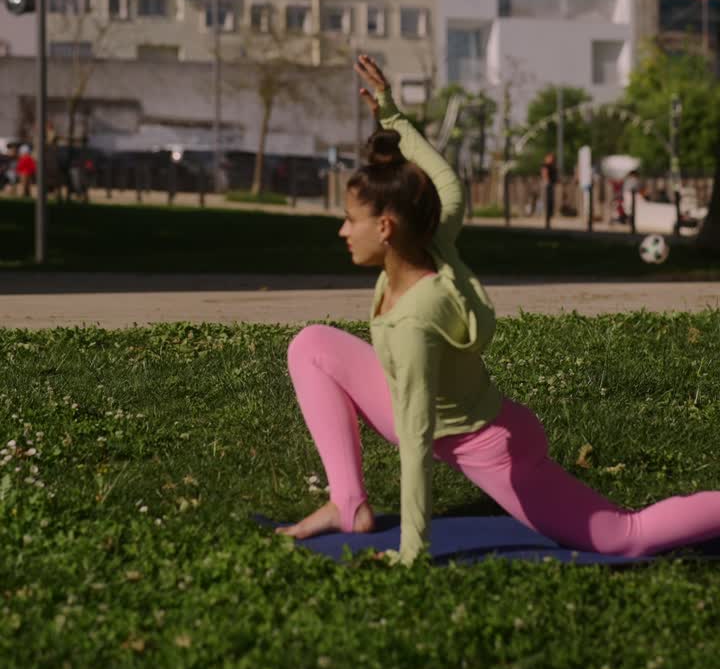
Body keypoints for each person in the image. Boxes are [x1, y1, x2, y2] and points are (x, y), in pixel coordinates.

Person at [277, 54, 720, 566]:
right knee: (312, 346)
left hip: (487, 447)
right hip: (432, 410)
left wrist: (411, 549)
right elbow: (447, 184)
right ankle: (348, 503)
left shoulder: (414, 320)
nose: (341, 231)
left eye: (349, 220)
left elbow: (417, 441)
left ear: (385, 229)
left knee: (626, 536)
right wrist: (393, 117)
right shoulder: (429, 246)